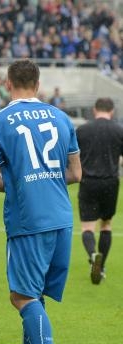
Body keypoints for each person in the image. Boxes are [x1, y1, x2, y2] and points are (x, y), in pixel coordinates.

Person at [0, 59, 82, 344]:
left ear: (8, 83)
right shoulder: (61, 117)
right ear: (38, 84)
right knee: (35, 297)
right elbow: (76, 173)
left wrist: (22, 183)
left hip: (29, 220)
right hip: (62, 217)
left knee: (22, 297)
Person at [75, 97, 123, 284]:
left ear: (95, 110)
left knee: (87, 227)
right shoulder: (119, 130)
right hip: (110, 182)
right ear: (111, 111)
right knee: (106, 224)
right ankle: (101, 268)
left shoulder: (83, 130)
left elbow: (72, 154)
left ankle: (93, 254)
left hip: (88, 181)